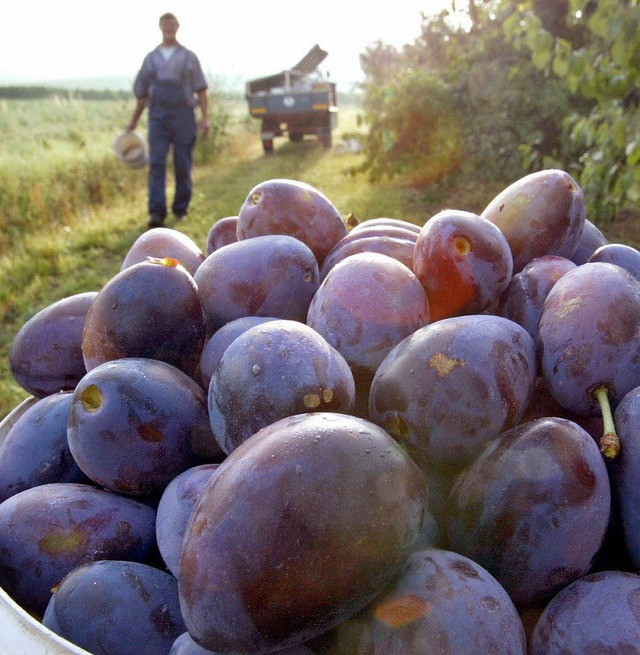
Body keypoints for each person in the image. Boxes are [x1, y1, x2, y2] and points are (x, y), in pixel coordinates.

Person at [126, 12, 210, 228]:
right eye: (165, 24)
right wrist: (134, 121)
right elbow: (142, 94)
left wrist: (205, 118)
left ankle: (180, 209)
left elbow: (201, 91)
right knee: (156, 164)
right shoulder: (151, 58)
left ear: (178, 27)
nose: (169, 28)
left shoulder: (189, 57)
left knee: (183, 164)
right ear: (160, 27)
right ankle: (156, 213)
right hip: (158, 118)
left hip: (184, 116)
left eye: (172, 24)